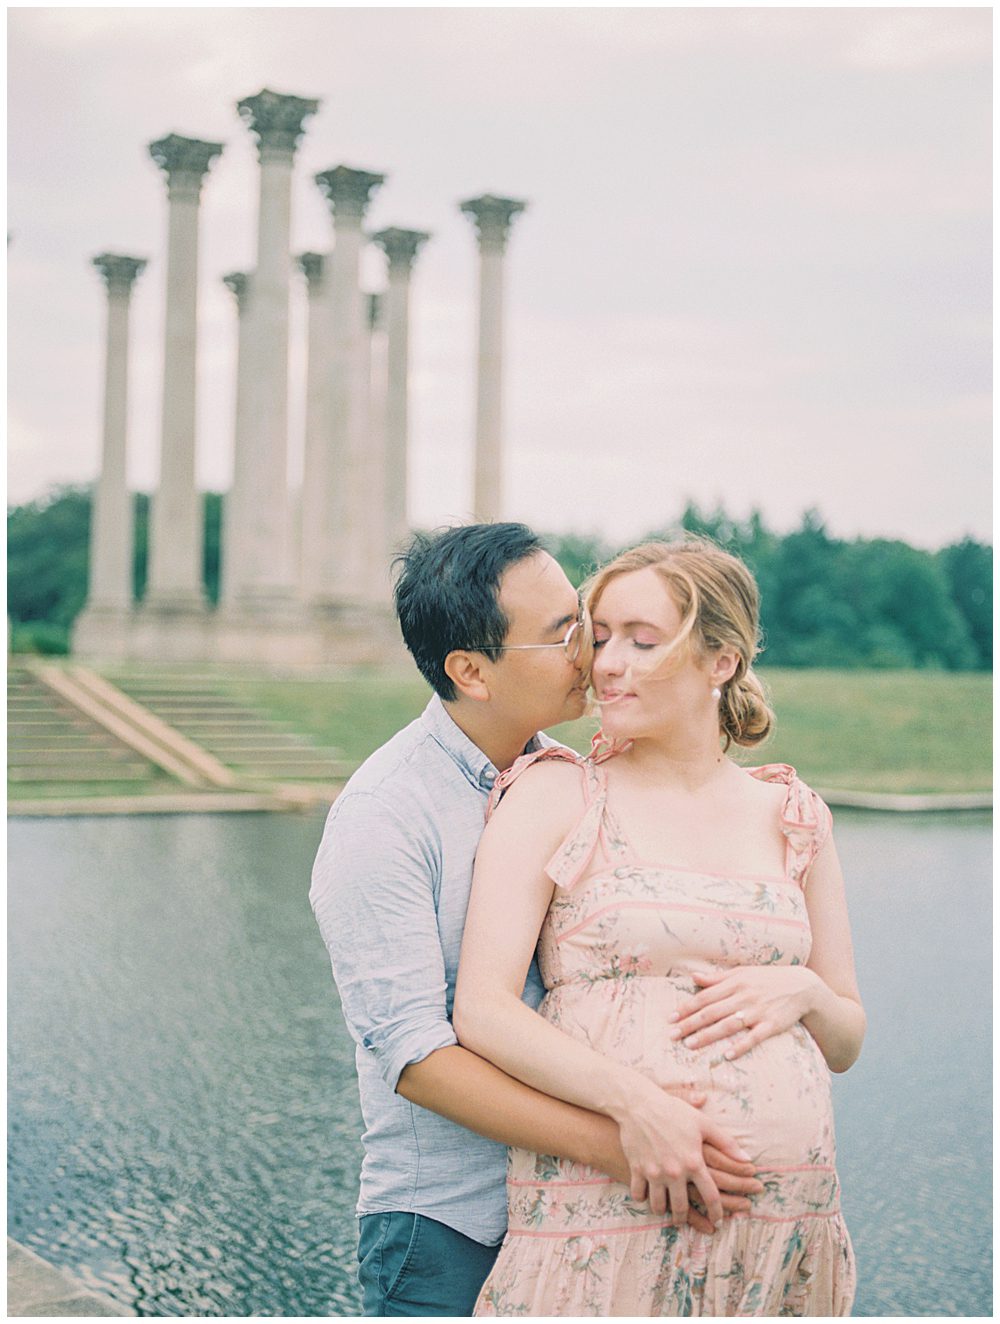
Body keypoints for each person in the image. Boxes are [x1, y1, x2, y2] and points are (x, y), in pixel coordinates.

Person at [310, 524, 763, 1317]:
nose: (593, 652)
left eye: (582, 620)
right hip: (451, 1229)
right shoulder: (383, 818)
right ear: (471, 672)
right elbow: (416, 1058)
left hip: (588, 1214)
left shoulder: (577, 778)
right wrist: (623, 1139)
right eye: (563, 635)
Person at [454, 536, 866, 1316]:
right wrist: (638, 1109)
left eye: (643, 642)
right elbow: (481, 1010)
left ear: (722, 661)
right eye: (600, 637)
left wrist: (804, 990)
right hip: (609, 1223)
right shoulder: (557, 795)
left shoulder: (793, 816)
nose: (607, 664)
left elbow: (847, 1038)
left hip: (781, 1240)